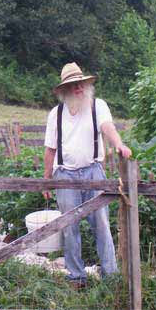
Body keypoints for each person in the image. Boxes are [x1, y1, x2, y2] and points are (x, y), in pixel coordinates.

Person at [42, 62, 132, 289]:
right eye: (73, 85)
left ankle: (110, 276)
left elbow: (108, 127)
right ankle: (76, 277)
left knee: (101, 224)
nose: (78, 88)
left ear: (86, 84)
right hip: (64, 175)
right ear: (64, 90)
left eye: (80, 83)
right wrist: (46, 181)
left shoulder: (97, 106)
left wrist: (119, 144)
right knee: (69, 227)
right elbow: (50, 149)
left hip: (93, 171)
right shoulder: (56, 113)